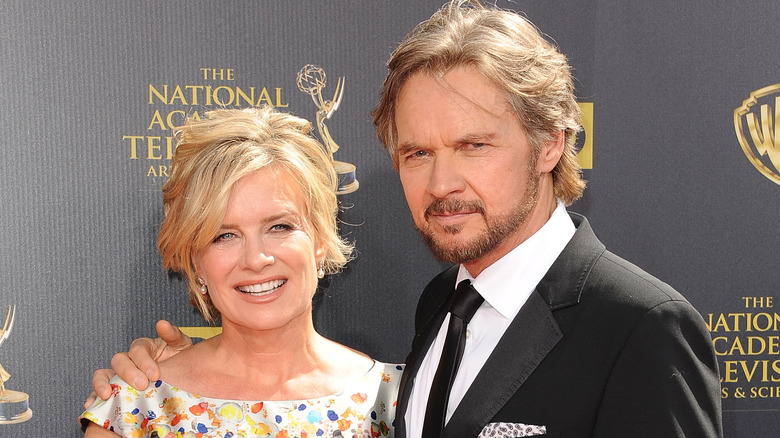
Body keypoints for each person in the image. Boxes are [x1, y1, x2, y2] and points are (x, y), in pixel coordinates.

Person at [89, 1, 723, 437]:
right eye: (417, 153)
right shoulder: (440, 312)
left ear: (551, 142)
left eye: (474, 145)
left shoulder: (643, 330)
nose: (442, 183)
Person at [79, 106, 400, 437]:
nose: (255, 258)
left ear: (320, 240)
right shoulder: (137, 409)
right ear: (196, 262)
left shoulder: (397, 401)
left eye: (279, 226)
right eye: (224, 235)